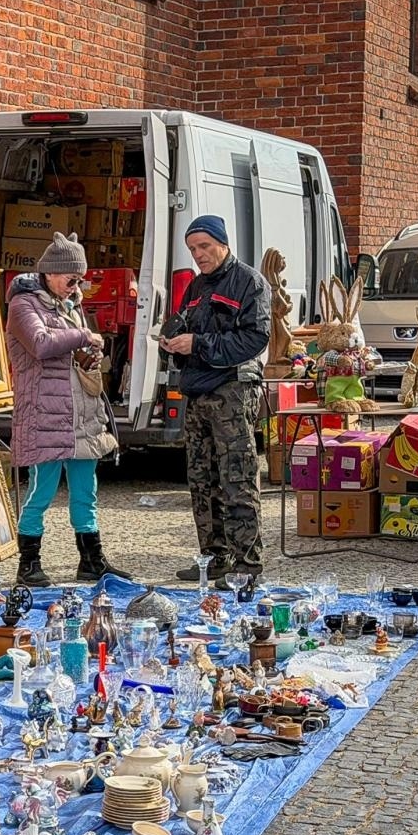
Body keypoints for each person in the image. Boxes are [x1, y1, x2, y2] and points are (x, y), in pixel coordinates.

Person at [5, 231, 125, 587]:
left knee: (86, 492)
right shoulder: (23, 305)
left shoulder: (69, 305)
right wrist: (84, 336)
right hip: (44, 414)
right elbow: (40, 344)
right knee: (40, 493)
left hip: (80, 415)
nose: (76, 287)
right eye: (72, 280)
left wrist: (89, 355)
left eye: (79, 281)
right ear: (50, 273)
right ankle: (28, 564)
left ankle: (92, 561)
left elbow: (69, 351)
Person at [160, 215, 272, 592]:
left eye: (205, 246)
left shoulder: (250, 282)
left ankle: (247, 565)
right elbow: (187, 329)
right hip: (197, 391)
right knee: (201, 480)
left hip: (232, 392)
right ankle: (213, 558)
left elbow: (254, 339)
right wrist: (172, 343)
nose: (199, 254)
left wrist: (199, 344)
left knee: (237, 477)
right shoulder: (195, 287)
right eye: (193, 249)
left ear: (223, 244)